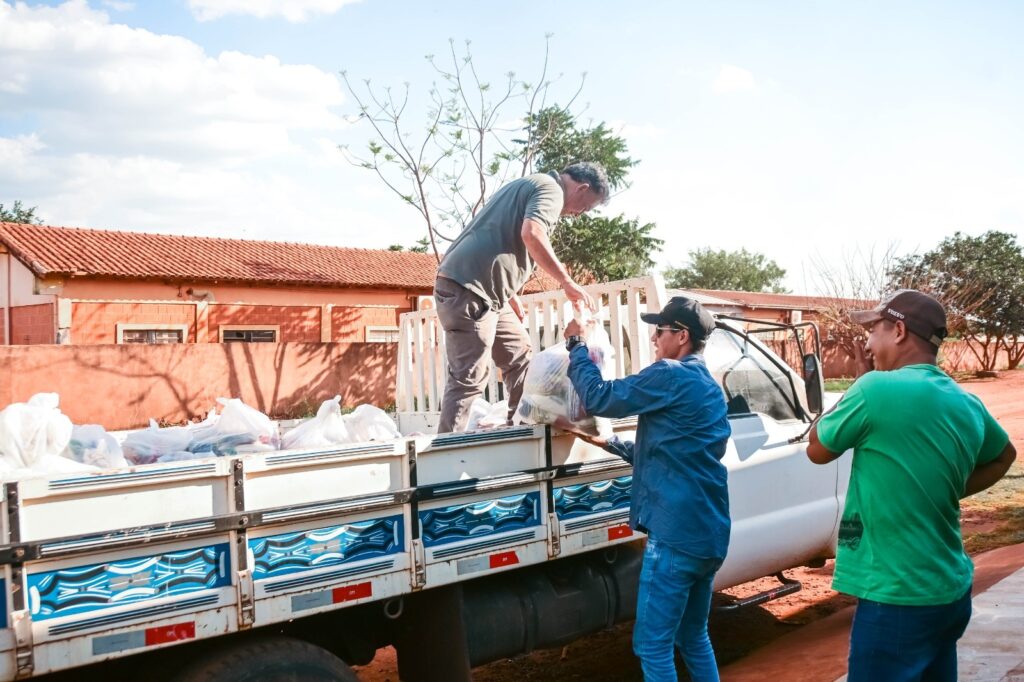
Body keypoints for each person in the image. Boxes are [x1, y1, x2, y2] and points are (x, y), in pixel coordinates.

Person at [807, 289, 1016, 682]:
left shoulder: (874, 390)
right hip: (948, 589)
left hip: (896, 594)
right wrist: (944, 488)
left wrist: (856, 389)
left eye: (873, 330)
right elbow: (1004, 456)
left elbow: (817, 449)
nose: (867, 343)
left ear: (898, 331)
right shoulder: (964, 400)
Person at [563, 296, 731, 682]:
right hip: (709, 533)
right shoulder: (709, 386)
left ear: (682, 336)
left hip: (675, 536)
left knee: (652, 646)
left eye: (660, 331)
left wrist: (575, 348)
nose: (654, 338)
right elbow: (680, 451)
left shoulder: (670, 374)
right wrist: (613, 445)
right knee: (693, 635)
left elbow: (600, 397)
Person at [434, 162, 607, 433]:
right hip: (470, 290)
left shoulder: (531, 183)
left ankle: (520, 428)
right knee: (470, 377)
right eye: (584, 207)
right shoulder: (551, 191)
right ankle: (444, 453)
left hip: (488, 294)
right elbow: (532, 234)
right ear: (582, 188)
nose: (577, 214)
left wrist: (509, 290)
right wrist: (567, 281)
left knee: (519, 354)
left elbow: (496, 233)